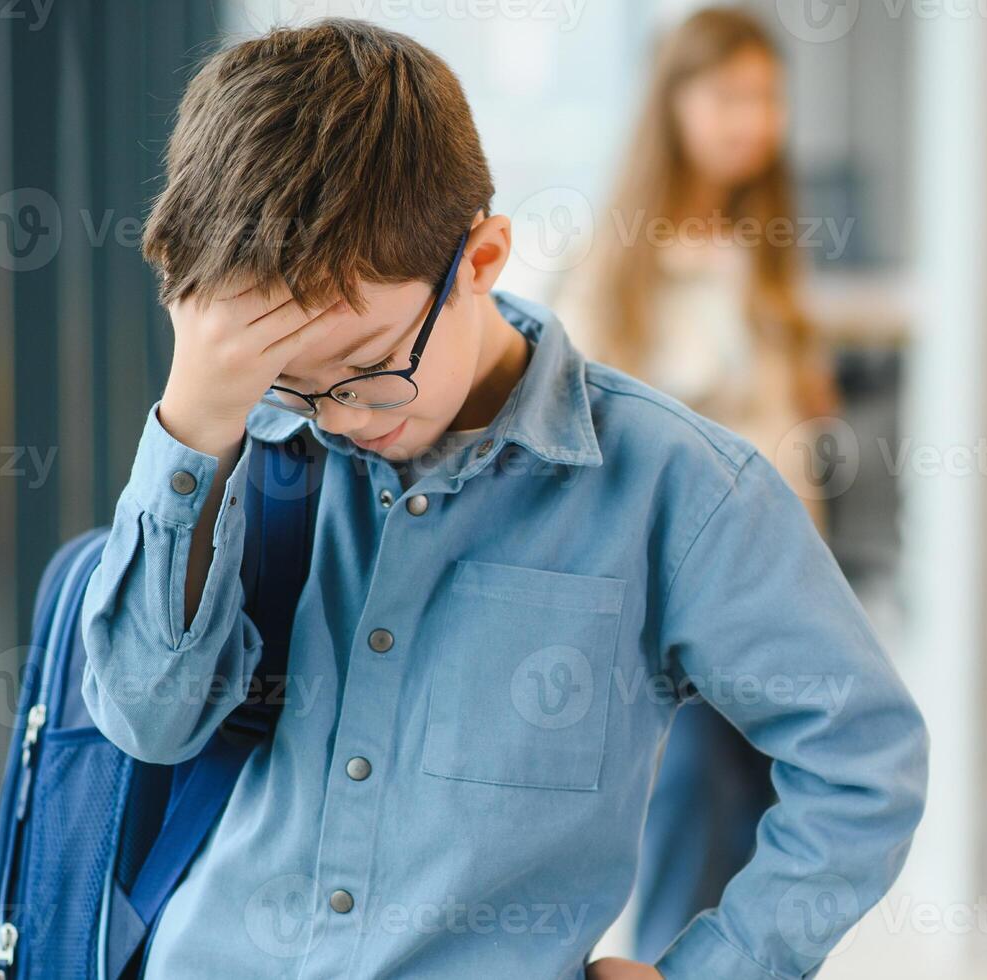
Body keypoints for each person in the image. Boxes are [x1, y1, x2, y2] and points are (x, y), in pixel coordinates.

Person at [79, 18, 928, 979]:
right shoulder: (250, 443)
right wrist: (196, 423)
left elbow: (863, 762)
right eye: (290, 380)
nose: (338, 416)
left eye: (366, 369)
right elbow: (146, 721)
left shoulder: (671, 486)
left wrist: (724, 965)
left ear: (479, 261)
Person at [553, 7, 843, 961]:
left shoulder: (766, 253)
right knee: (691, 823)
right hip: (675, 597)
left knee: (776, 831)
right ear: (672, 102)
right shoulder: (616, 266)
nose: (749, 120)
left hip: (779, 581)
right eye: (726, 95)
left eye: (765, 98)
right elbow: (586, 436)